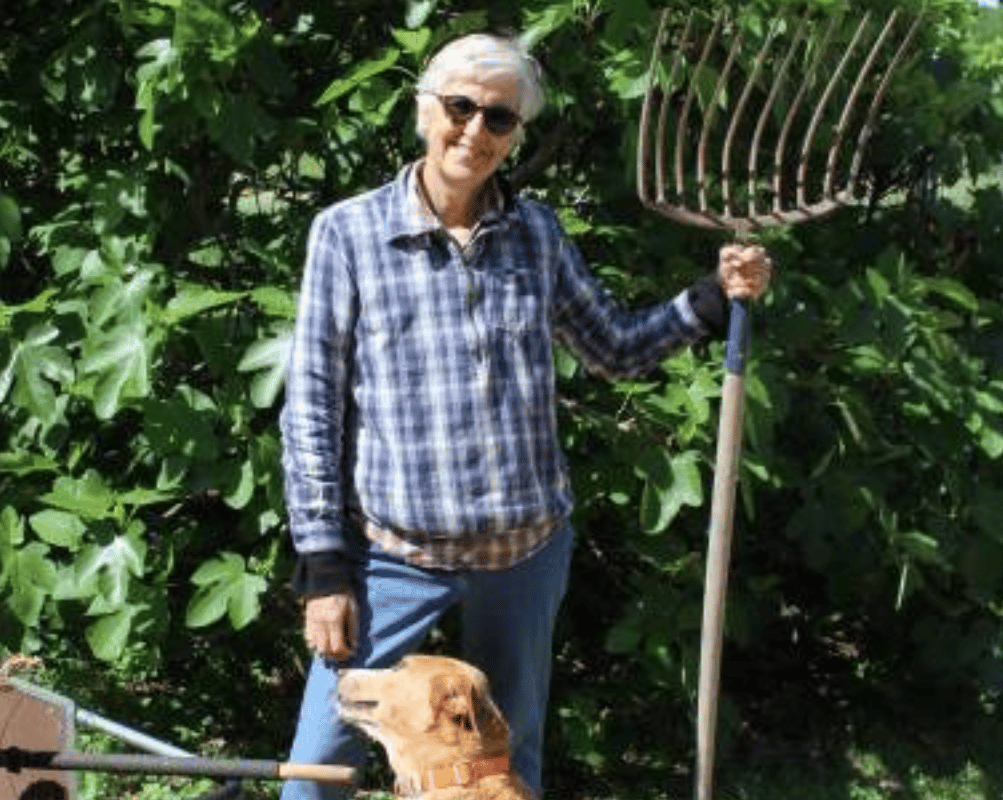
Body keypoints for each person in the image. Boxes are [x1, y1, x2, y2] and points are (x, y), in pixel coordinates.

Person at [278, 31, 771, 800]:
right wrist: (324, 567)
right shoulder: (347, 235)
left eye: (498, 118)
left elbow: (613, 348)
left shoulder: (534, 234)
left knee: (505, 763)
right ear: (423, 110)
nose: (474, 130)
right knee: (319, 768)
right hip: (392, 560)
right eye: (460, 106)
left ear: (515, 136)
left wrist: (710, 300)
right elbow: (310, 409)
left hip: (523, 555)